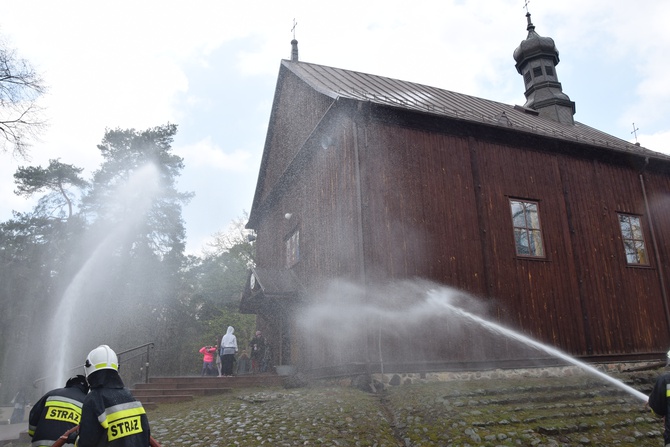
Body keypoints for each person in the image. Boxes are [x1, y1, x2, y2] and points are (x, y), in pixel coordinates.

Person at [75, 344, 151, 447]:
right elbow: (145, 435)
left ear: (89, 369)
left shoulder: (93, 399)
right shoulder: (129, 396)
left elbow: (86, 442)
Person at [28, 375, 89, 446]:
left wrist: (32, 433)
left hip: (40, 444)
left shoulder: (50, 394)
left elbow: (34, 415)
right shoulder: (86, 402)